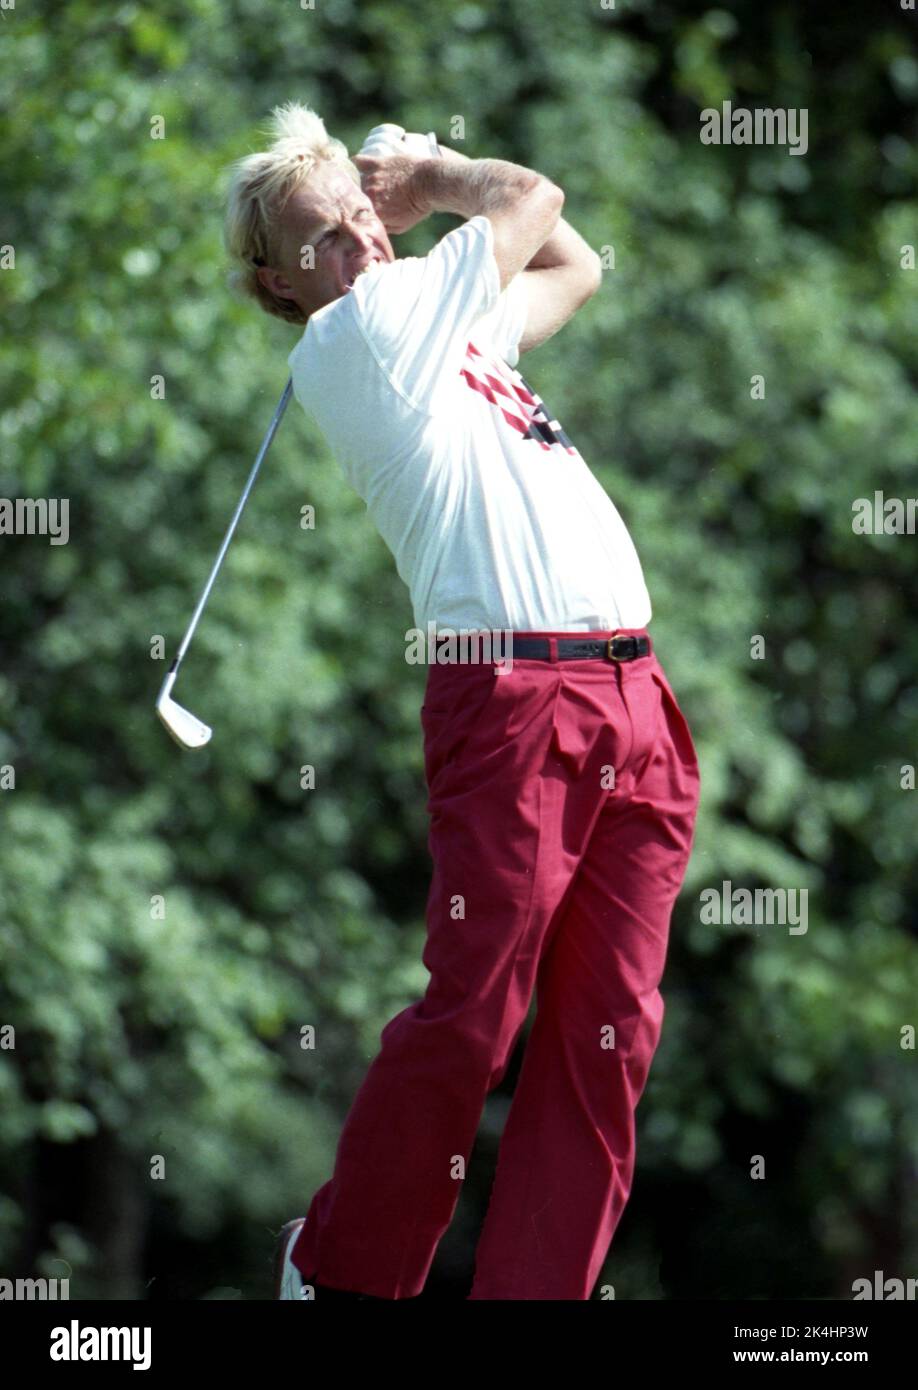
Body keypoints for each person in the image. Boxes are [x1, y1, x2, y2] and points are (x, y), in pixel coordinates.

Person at [223, 102, 701, 1301]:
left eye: (354, 219)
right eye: (319, 240)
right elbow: (531, 200)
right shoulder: (359, 337)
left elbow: (574, 265)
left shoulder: (447, 329)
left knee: (610, 1033)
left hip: (633, 693)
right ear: (283, 289)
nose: (354, 246)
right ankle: (338, 1272)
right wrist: (429, 173)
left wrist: (402, 199)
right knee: (478, 1012)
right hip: (516, 699)